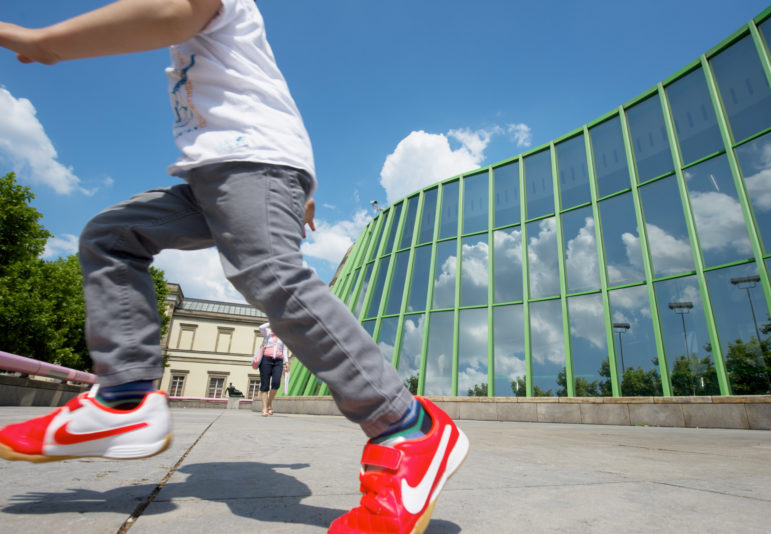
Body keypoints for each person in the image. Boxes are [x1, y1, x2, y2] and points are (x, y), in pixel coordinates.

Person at [0, 1, 469, 532]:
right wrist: (299, 187)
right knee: (110, 236)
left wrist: (43, 41)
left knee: (266, 271)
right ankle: (125, 397)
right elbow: (272, 96)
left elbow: (173, 12)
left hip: (251, 163)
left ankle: (406, 427)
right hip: (218, 178)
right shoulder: (220, 46)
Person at [257, 321, 286, 416]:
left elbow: (284, 349)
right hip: (266, 360)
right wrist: (272, 320)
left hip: (278, 361)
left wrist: (286, 362)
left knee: (276, 383)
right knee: (265, 384)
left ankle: (269, 403)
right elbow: (260, 327)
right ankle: (265, 407)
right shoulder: (267, 332)